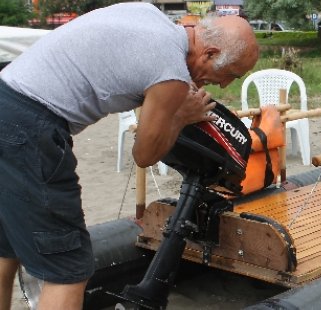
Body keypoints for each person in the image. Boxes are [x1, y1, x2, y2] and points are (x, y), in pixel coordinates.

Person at [0, 2, 259, 309]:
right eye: (229, 73)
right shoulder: (171, 74)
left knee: (6, 249)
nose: (224, 84)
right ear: (210, 53)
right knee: (67, 271)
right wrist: (180, 116)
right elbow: (144, 155)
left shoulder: (148, 14)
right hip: (30, 129)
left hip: (6, 96)